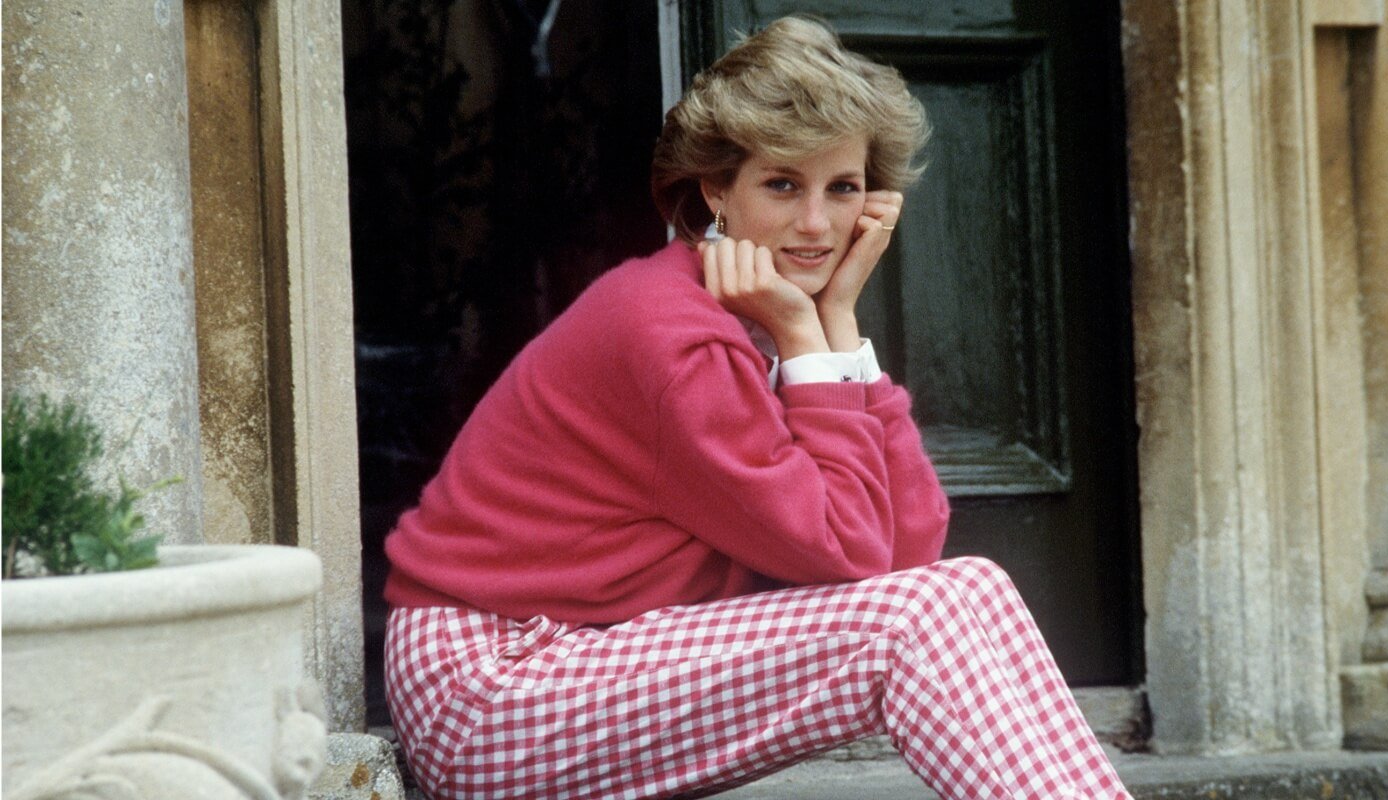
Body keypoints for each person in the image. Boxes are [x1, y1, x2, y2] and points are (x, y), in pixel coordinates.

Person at [382, 16, 1131, 800]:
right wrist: (808, 330)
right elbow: (851, 557)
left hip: (586, 652)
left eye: (841, 188)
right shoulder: (673, 335)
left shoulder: (757, 312)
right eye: (782, 184)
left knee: (969, 585)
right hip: (491, 689)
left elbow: (907, 548)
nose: (816, 224)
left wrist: (837, 322)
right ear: (716, 192)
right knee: (919, 619)